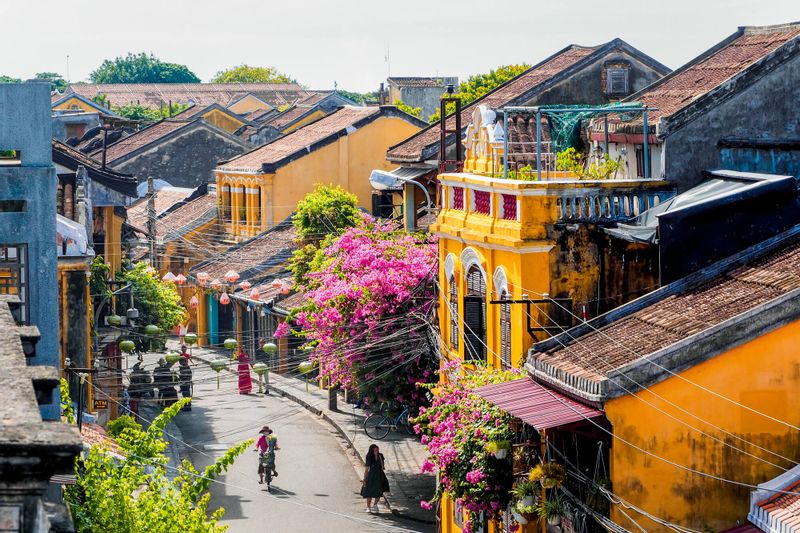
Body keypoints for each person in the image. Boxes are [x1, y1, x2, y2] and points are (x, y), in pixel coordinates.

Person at [361, 444, 390, 513]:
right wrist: (365, 479)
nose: (377, 451)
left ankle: (375, 505)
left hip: (379, 475)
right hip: (371, 475)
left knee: (379, 490)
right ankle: (368, 506)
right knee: (369, 491)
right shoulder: (369, 457)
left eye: (377, 450)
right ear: (372, 451)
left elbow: (382, 466)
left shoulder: (380, 456)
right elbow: (367, 469)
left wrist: (383, 466)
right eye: (375, 450)